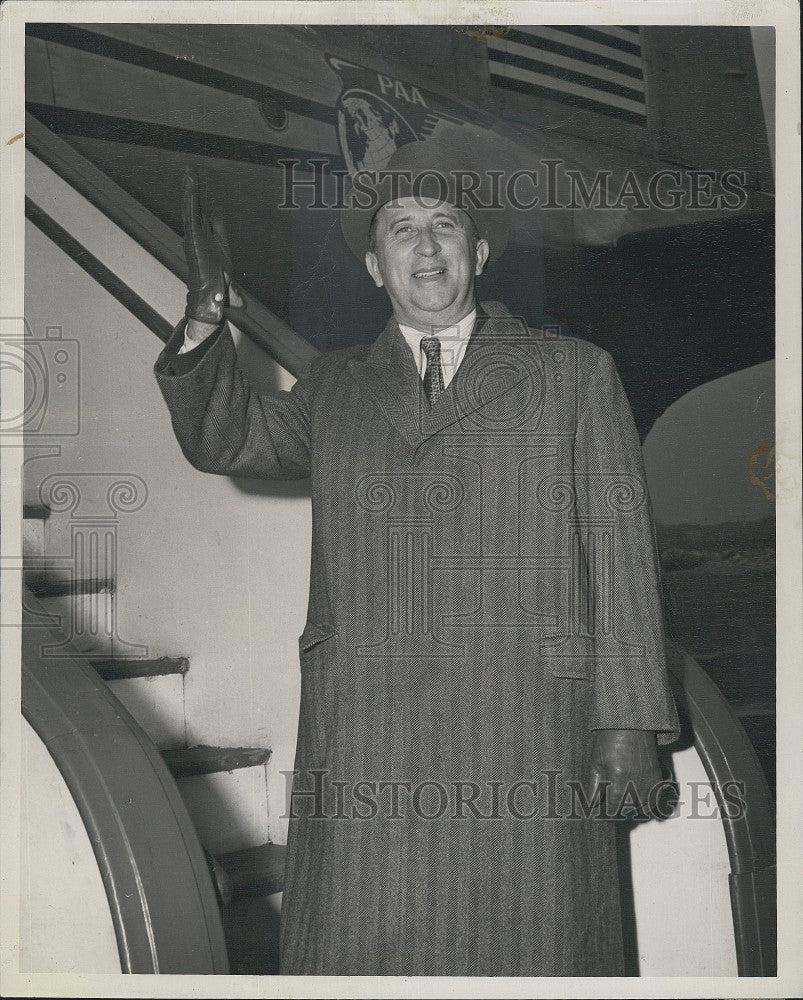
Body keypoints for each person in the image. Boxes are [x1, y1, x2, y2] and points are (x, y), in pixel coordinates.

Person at [154, 137, 679, 976]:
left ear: (476, 253)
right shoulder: (334, 387)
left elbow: (617, 555)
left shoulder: (573, 375)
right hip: (370, 740)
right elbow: (228, 438)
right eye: (401, 228)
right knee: (366, 949)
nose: (424, 246)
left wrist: (627, 722)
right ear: (373, 264)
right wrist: (205, 321)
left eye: (444, 226)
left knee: (533, 948)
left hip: (527, 729)